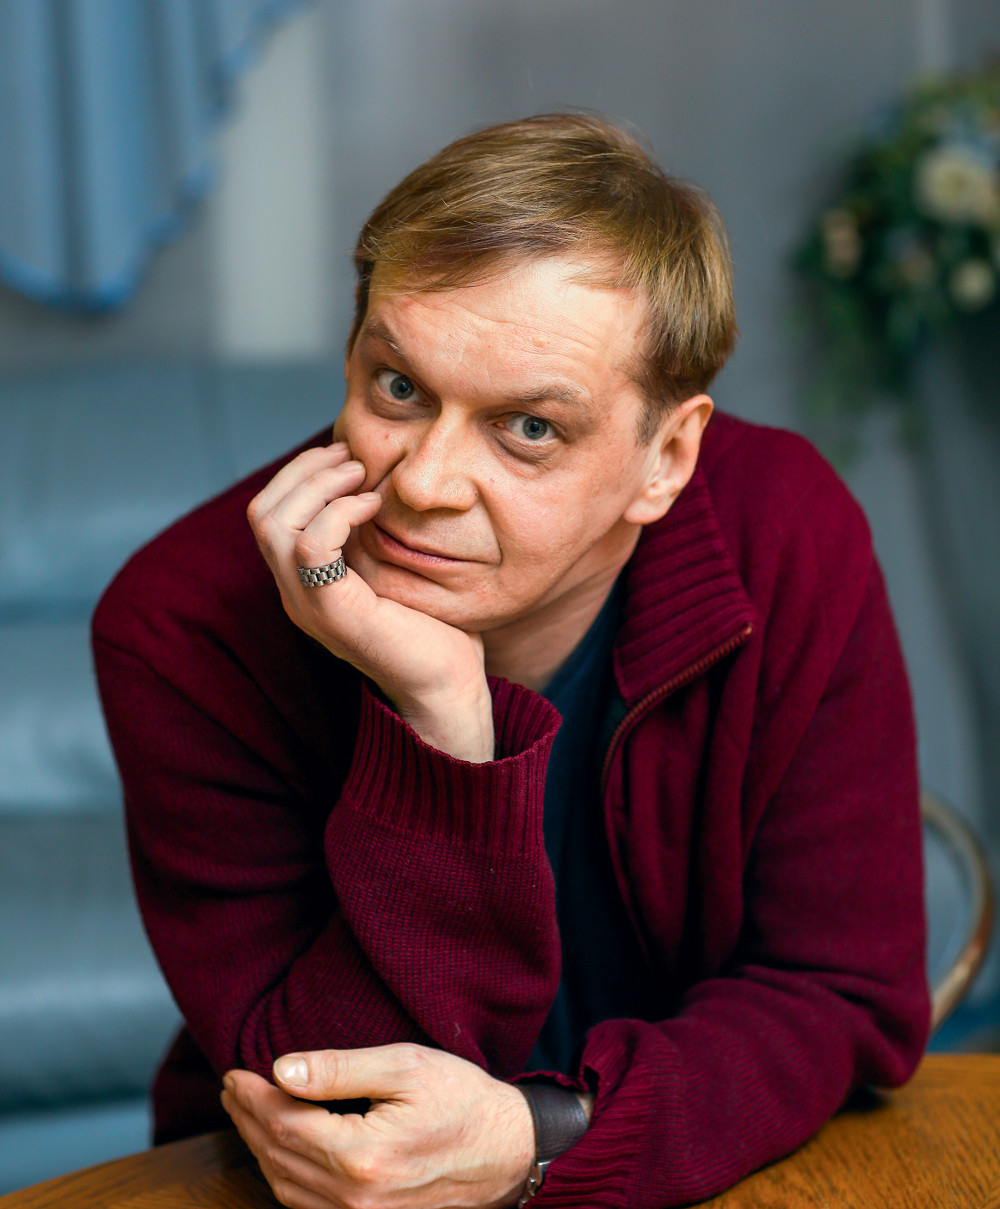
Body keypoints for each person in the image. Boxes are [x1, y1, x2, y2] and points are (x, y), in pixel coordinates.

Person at [93, 112, 929, 1209]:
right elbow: (334, 1114)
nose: (423, 483)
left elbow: (845, 996)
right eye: (398, 387)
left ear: (666, 457)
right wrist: (441, 722)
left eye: (528, 428)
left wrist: (541, 1138)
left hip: (711, 1176)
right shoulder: (185, 622)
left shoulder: (786, 535)